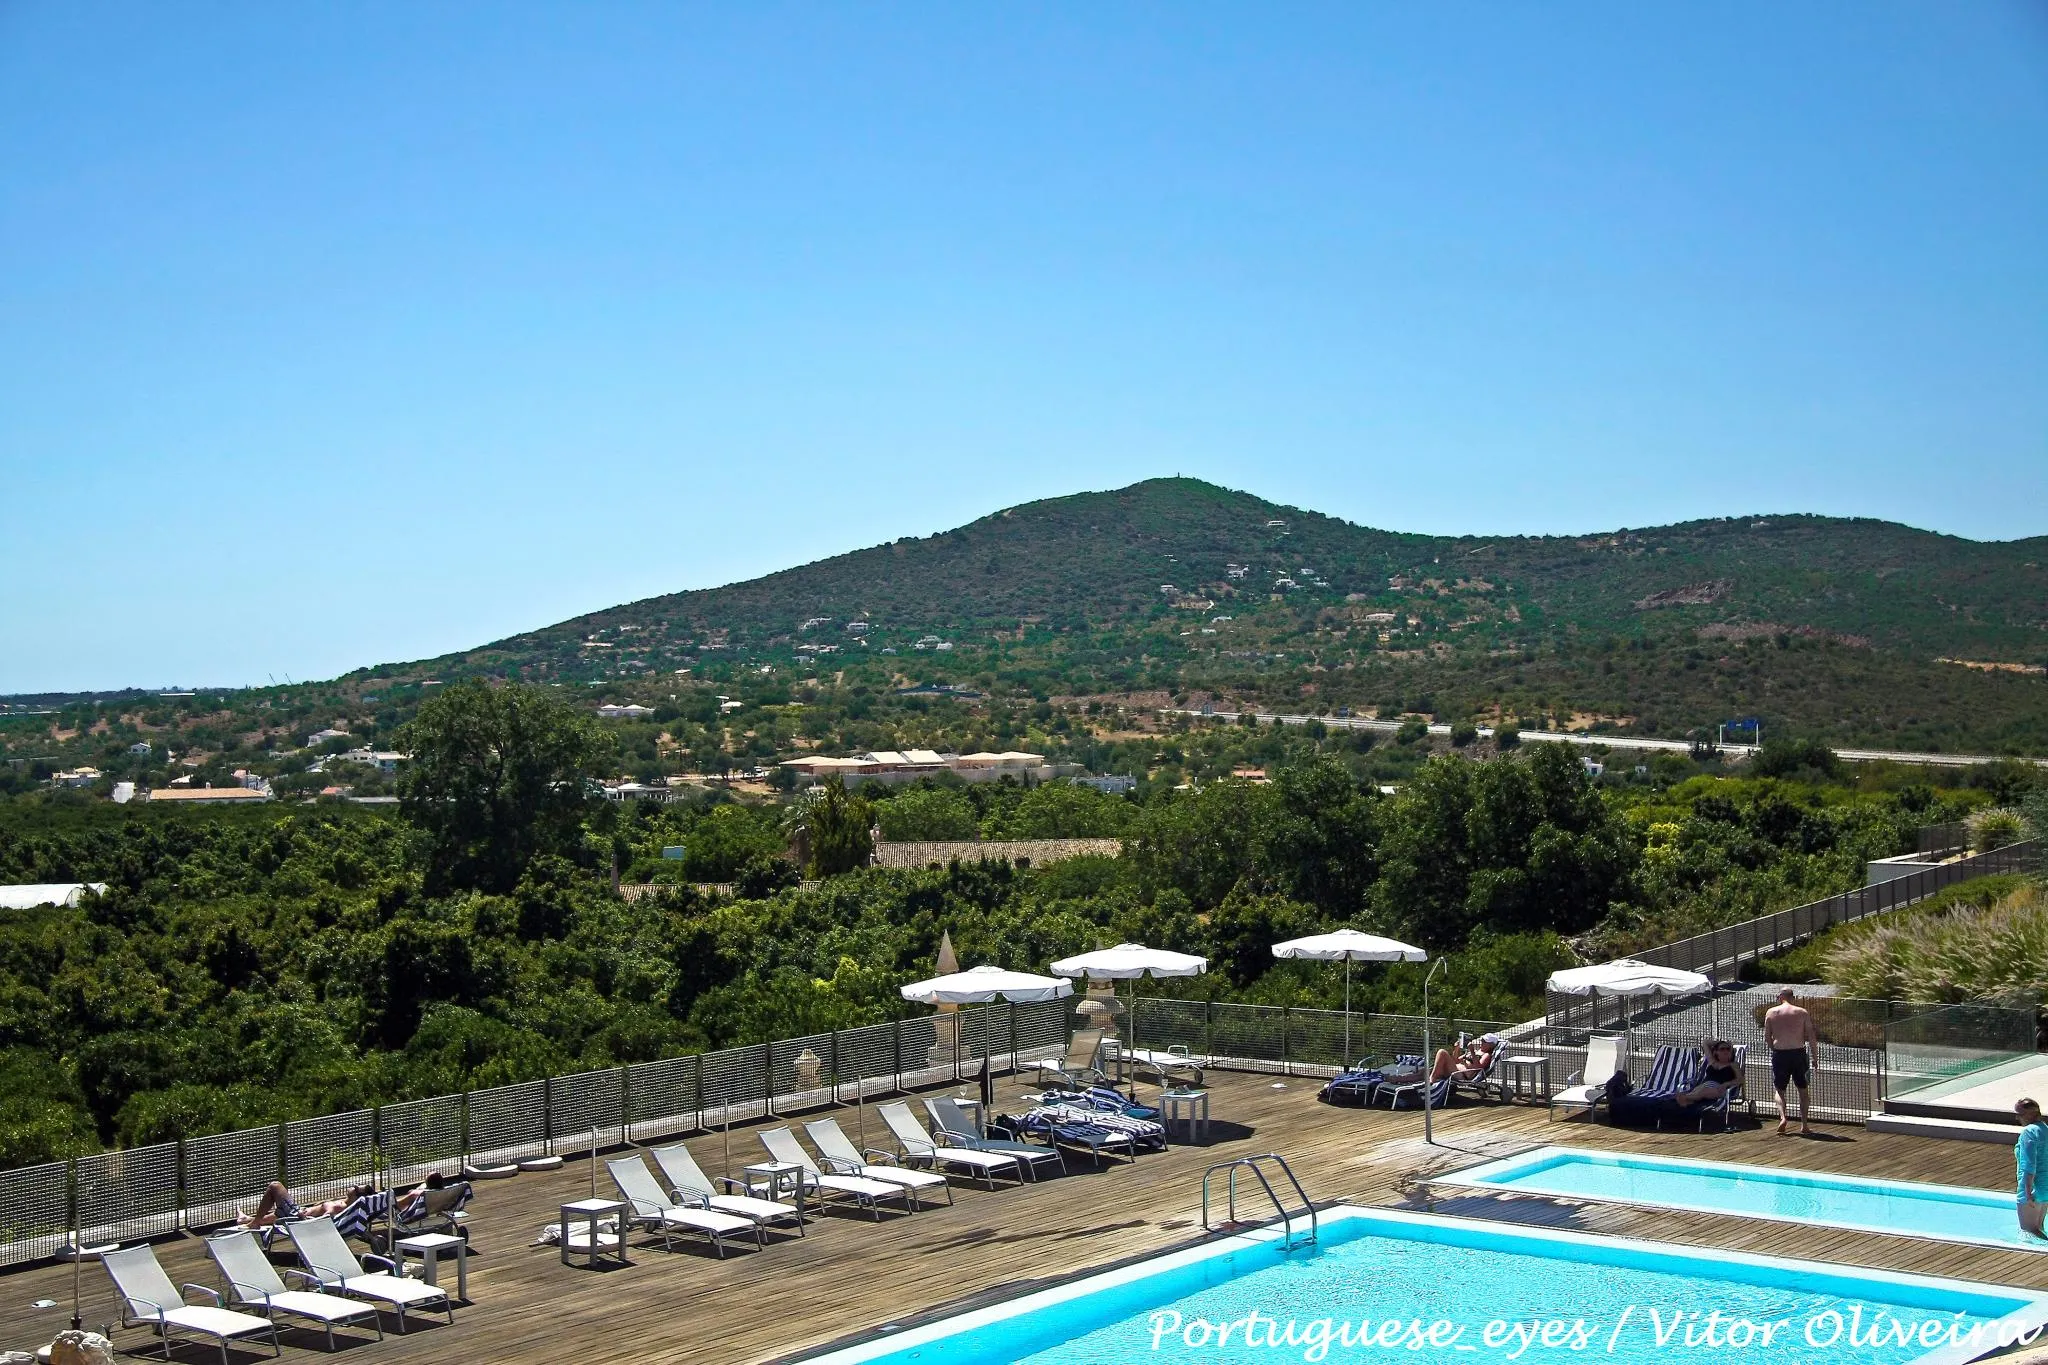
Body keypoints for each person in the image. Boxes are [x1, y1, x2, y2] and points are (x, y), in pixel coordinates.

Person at [1763, 989, 1818, 1135]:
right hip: (1798, 1053)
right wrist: (1815, 1057)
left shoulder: (1771, 1012)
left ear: (1780, 997)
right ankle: (1804, 1125)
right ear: (1792, 998)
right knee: (1803, 1090)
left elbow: (1767, 1036)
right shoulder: (1801, 1012)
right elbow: (1811, 1036)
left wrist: (1774, 1048)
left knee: (1780, 1089)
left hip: (1780, 1054)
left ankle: (1782, 1117)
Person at [237, 1180, 371, 1229]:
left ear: (357, 1196)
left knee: (275, 1186)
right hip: (299, 1213)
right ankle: (247, 1220)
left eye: (356, 1188)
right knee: (279, 1212)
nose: (354, 1186)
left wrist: (305, 1219)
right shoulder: (344, 1203)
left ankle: (254, 1223)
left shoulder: (339, 1207)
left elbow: (326, 1218)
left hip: (297, 1216)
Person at [1674, 1041, 1741, 1107]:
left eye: (1728, 1049)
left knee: (1703, 1091)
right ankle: (1686, 1102)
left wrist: (1726, 1084)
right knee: (1697, 1092)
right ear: (1716, 1052)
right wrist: (1721, 1043)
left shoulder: (1733, 1065)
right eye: (1722, 1049)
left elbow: (1740, 1080)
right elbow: (1705, 1043)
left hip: (1720, 1088)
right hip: (1704, 1085)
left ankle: (1684, 1098)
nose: (1725, 1051)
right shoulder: (1712, 1062)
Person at [2017, 1099, 2048, 1238]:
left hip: (2032, 1187)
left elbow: (2029, 1164)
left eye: (2020, 1114)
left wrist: (2028, 1193)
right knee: (2039, 1228)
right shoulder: (2045, 1129)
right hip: (2045, 1187)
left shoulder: (2029, 1132)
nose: (2017, 1117)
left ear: (2029, 1115)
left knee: (2029, 1230)